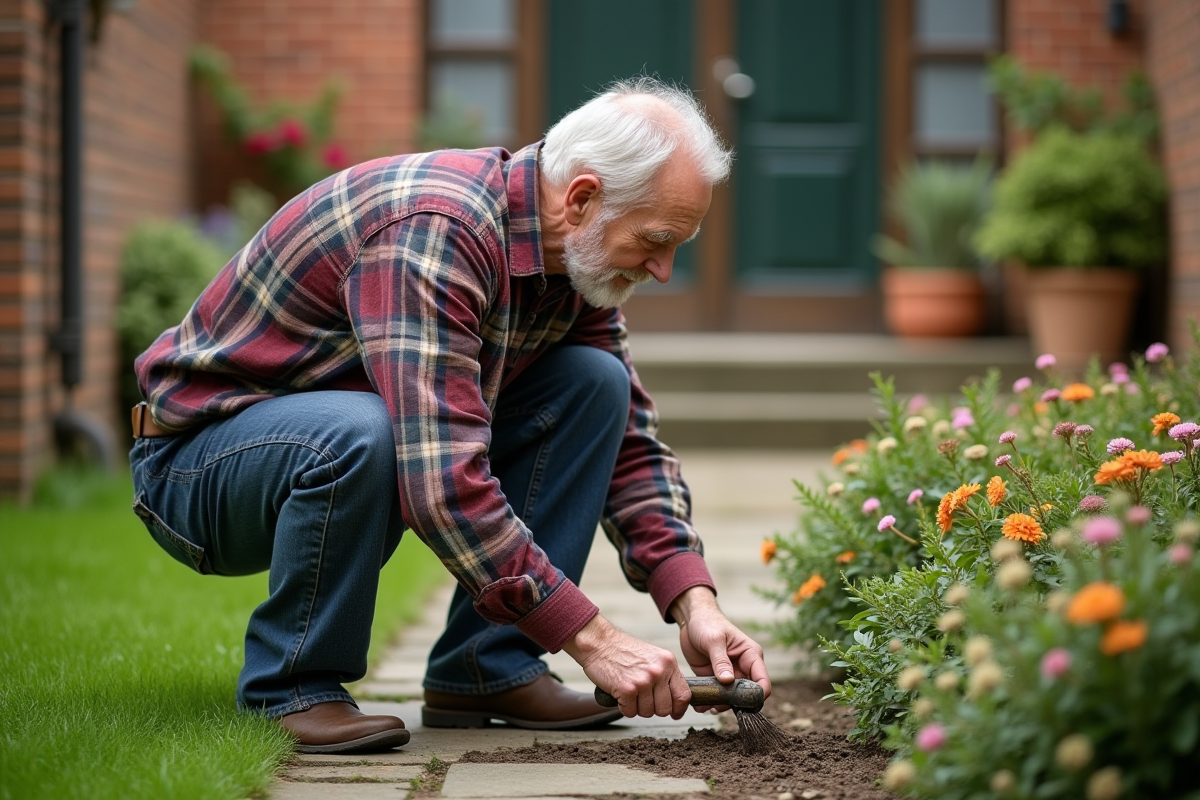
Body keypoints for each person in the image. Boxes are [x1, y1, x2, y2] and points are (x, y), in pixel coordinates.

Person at [129, 76, 771, 755]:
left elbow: (631, 448)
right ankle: (291, 687)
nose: (665, 270)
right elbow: (441, 477)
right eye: (658, 239)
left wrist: (692, 600)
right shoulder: (436, 231)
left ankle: (484, 669)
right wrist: (595, 641)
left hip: (330, 448)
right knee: (363, 431)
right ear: (582, 198)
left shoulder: (579, 262)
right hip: (198, 468)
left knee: (595, 382)